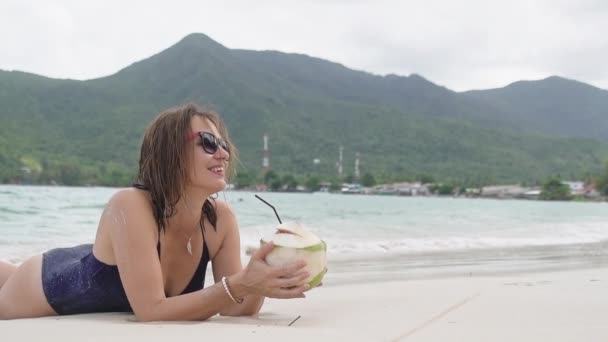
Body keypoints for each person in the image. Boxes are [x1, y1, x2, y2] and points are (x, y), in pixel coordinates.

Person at [0, 103, 311, 320]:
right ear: (170, 154)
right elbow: (151, 310)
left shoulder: (221, 220)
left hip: (90, 263)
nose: (223, 153)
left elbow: (233, 307)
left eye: (223, 143)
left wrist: (266, 280)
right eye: (207, 142)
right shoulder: (130, 205)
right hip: (38, 288)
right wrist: (243, 283)